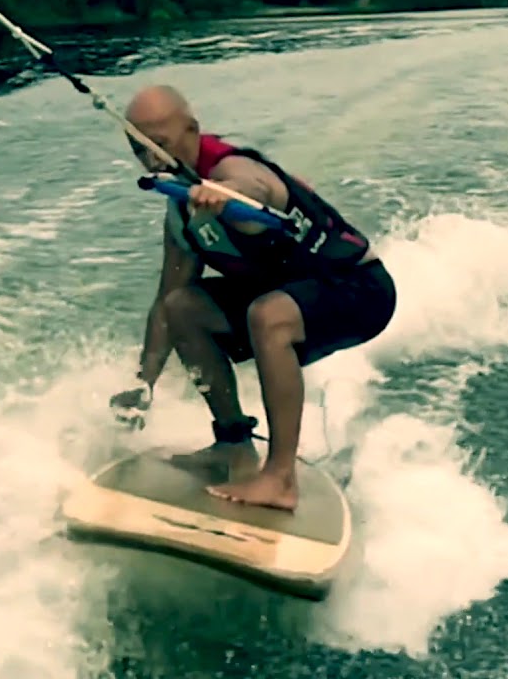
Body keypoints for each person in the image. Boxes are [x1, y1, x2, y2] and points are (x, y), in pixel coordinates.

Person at [106, 85, 396, 512]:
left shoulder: (234, 170)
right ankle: (233, 444)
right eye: (139, 150)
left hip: (359, 290)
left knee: (267, 315)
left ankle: (280, 479)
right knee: (181, 307)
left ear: (192, 130)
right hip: (291, 297)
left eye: (159, 145)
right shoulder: (181, 215)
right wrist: (142, 383)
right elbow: (166, 301)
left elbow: (253, 187)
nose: (151, 160)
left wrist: (225, 194)